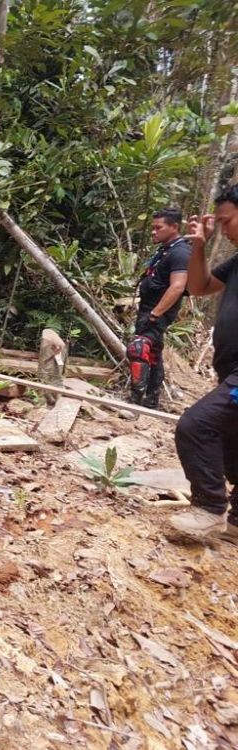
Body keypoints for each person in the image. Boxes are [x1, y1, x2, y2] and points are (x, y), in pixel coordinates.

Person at [168, 184, 238, 539]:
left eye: (227, 221)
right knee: (230, 440)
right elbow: (198, 287)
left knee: (196, 426)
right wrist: (199, 244)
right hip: (230, 372)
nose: (224, 229)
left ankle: (209, 509)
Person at [127, 208, 191, 409]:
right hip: (149, 309)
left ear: (174, 227)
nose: (153, 232)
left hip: (157, 311)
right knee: (153, 355)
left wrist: (156, 314)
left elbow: (178, 286)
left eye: (158, 228)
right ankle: (151, 400)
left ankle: (134, 403)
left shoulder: (180, 252)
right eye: (152, 228)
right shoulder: (166, 250)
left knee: (138, 348)